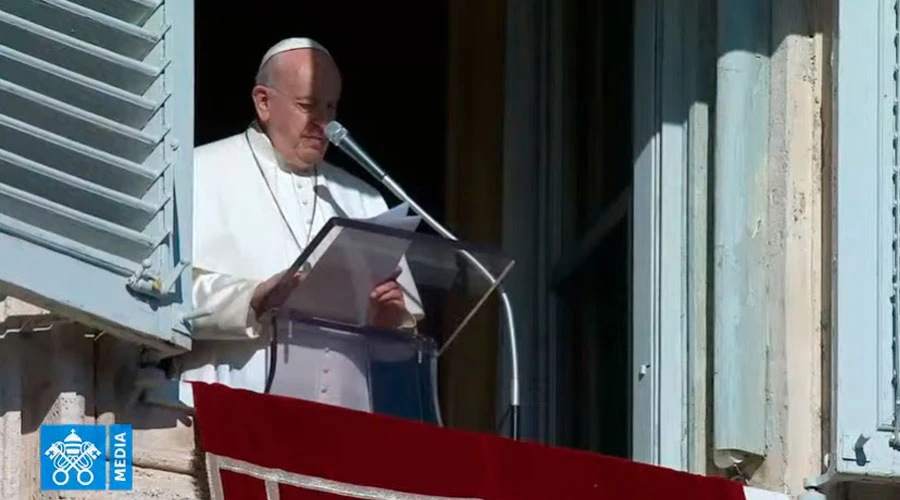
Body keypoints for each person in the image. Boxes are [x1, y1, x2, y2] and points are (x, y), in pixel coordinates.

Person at [172, 37, 423, 412]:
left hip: (341, 420)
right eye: (308, 106)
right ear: (263, 102)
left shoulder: (363, 199)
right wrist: (254, 299)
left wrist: (389, 321)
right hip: (230, 409)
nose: (324, 123)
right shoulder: (198, 173)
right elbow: (161, 301)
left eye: (331, 107)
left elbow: (399, 343)